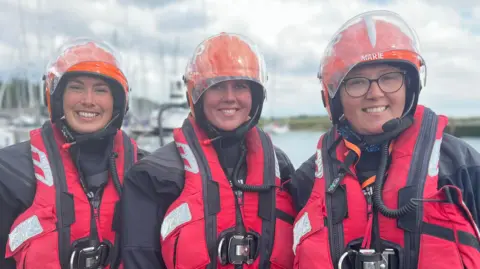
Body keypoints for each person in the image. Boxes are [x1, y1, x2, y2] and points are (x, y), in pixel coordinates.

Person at [291, 10, 480, 269]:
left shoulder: (461, 165)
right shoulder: (306, 179)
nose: (375, 93)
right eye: (357, 82)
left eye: (389, 78)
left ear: (410, 86)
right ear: (334, 97)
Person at [121, 32, 297, 269]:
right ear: (197, 95)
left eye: (240, 86)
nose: (229, 97)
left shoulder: (280, 166)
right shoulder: (153, 176)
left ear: (255, 96)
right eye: (217, 86)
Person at [0, 38, 148, 269]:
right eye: (76, 87)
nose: (88, 101)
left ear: (117, 101)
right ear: (56, 97)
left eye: (100, 90)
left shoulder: (146, 170)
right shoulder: (9, 171)